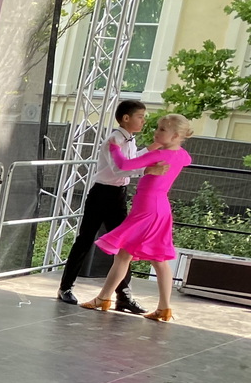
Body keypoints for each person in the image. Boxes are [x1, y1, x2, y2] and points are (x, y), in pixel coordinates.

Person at [79, 113, 194, 323]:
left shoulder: (159, 155)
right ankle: (163, 308)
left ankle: (103, 299)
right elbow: (186, 159)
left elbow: (124, 165)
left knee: (125, 255)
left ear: (176, 135)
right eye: (157, 127)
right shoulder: (181, 155)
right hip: (161, 207)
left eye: (162, 129)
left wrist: (114, 148)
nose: (156, 132)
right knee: (156, 259)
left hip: (147, 207)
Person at [57, 99, 147, 313]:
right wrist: (146, 168)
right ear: (126, 118)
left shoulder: (130, 140)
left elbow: (133, 161)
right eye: (140, 117)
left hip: (119, 194)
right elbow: (119, 168)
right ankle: (65, 287)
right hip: (102, 193)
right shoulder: (114, 140)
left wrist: (150, 153)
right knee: (85, 239)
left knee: (124, 246)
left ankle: (124, 296)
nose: (143, 121)